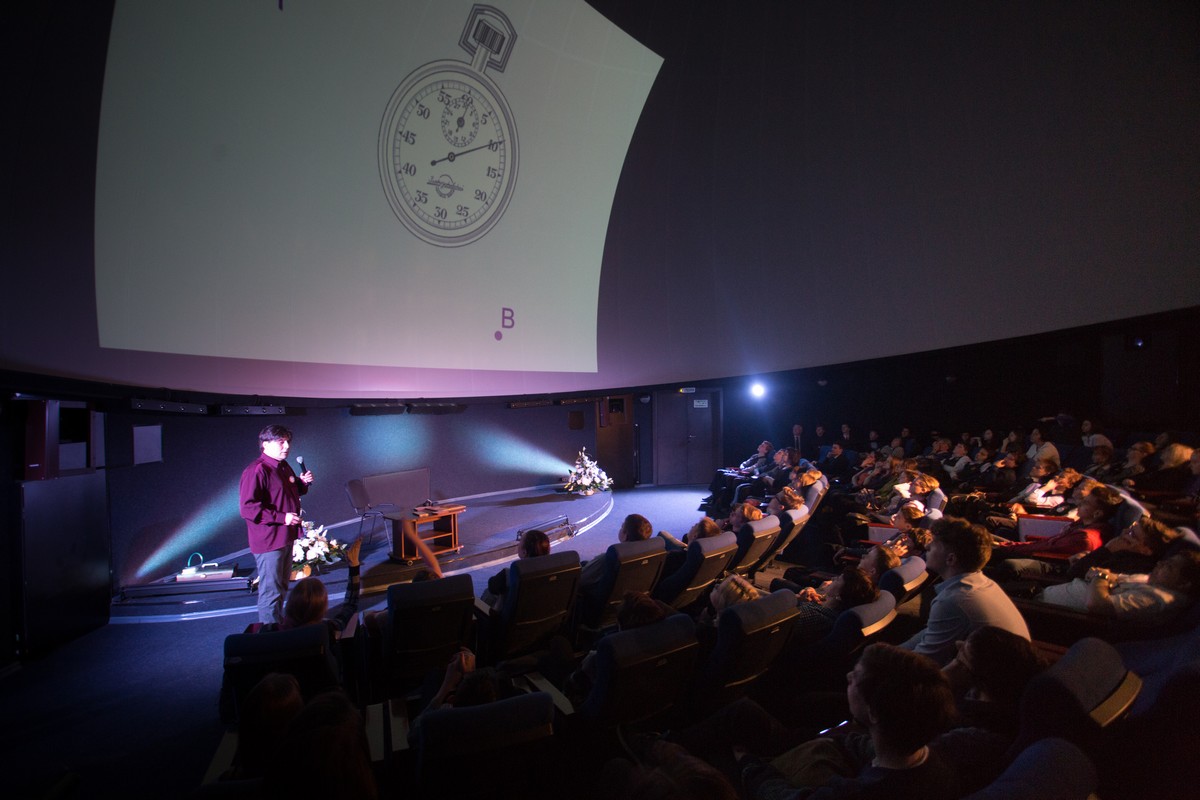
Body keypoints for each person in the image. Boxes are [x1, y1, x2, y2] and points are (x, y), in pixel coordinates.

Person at [737, 644, 961, 800]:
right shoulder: (929, 757)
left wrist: (749, 765)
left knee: (739, 713)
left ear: (873, 713)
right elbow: (867, 746)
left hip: (756, 780)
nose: (848, 676)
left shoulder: (858, 793)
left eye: (856, 676)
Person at [900, 517, 1030, 666]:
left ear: (951, 559)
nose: (927, 545)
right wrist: (894, 651)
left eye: (934, 543)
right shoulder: (982, 583)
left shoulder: (954, 601)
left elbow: (923, 661)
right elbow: (930, 634)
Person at [240, 424, 313, 625]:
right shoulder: (257, 471)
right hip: (269, 541)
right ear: (265, 444)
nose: (287, 446)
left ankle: (277, 624)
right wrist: (283, 518)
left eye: (288, 441)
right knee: (271, 591)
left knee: (281, 586)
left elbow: (290, 492)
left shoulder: (282, 466)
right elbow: (248, 509)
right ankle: (269, 633)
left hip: (286, 536)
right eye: (281, 442)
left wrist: (302, 483)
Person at [1036, 550, 1200, 622]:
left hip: (1046, 611)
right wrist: (1103, 577)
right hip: (1044, 595)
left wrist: (1101, 577)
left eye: (1168, 566)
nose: (1159, 564)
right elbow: (1111, 575)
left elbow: (1097, 604)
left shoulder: (1157, 599)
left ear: (1184, 583)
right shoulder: (1149, 580)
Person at [578, 513, 652, 590]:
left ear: (625, 535)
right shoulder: (649, 556)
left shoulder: (607, 559)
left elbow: (580, 579)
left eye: (622, 526)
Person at [481, 528, 550, 607]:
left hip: (510, 614)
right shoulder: (554, 571)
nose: (518, 544)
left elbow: (492, 586)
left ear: (524, 552)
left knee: (490, 593)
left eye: (520, 542)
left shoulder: (507, 575)